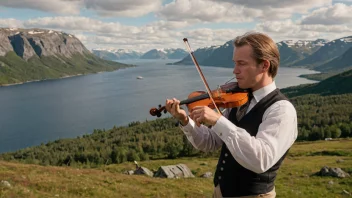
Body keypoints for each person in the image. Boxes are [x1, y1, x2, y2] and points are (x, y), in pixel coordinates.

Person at [165, 32, 298, 198]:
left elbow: (261, 160)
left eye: (241, 64)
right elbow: (210, 142)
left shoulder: (281, 110)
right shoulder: (239, 99)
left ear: (264, 65)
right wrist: (184, 120)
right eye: (235, 63)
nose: (235, 71)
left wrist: (219, 121)